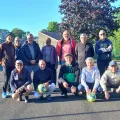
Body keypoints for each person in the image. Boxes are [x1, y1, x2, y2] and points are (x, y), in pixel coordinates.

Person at [0, 32, 15, 98]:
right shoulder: (2, 45)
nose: (10, 38)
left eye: (11, 37)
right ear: (6, 37)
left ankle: (9, 91)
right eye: (9, 36)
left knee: (11, 79)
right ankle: (4, 92)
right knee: (6, 79)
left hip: (12, 65)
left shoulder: (13, 46)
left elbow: (13, 55)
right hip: (6, 65)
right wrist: (2, 62)